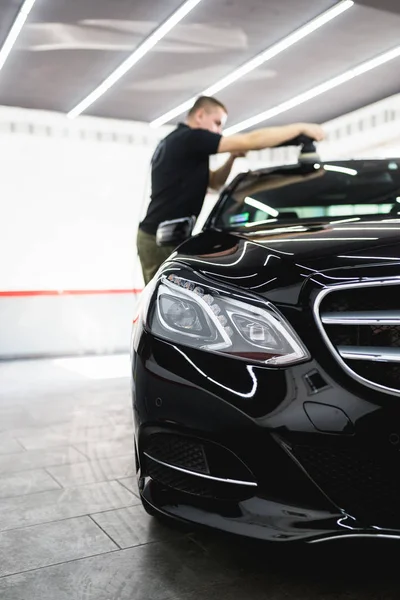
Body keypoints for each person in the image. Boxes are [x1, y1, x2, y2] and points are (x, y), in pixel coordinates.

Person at [137, 95, 324, 284]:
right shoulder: (189, 138)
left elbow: (215, 183)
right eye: (217, 123)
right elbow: (250, 140)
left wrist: (232, 158)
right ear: (200, 115)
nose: (219, 131)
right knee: (163, 301)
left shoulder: (182, 143)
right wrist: (300, 128)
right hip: (159, 237)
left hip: (164, 235)